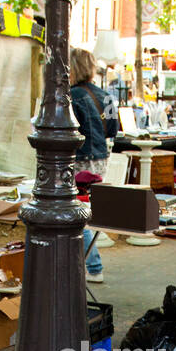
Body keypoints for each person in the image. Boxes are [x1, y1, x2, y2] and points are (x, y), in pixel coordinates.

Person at [71, 47, 116, 283]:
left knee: (79, 212)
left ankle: (94, 265)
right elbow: (113, 129)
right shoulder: (106, 95)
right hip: (100, 158)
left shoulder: (71, 96)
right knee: (88, 211)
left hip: (78, 160)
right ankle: (93, 263)